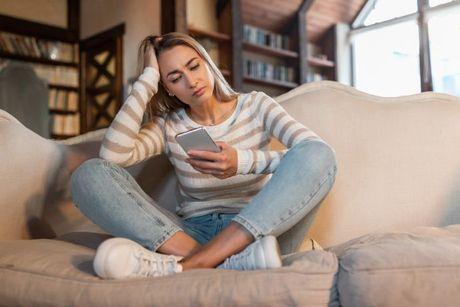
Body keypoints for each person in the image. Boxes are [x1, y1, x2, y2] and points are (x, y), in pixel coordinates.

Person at [70, 32, 338, 280]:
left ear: (208, 63)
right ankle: (227, 262)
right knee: (89, 174)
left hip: (260, 232)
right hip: (192, 233)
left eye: (194, 66)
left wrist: (242, 162)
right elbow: (113, 156)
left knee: (320, 155)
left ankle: (193, 264)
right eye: (175, 78)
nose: (191, 81)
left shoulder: (256, 105)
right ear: (167, 88)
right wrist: (147, 79)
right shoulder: (169, 126)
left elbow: (313, 152)